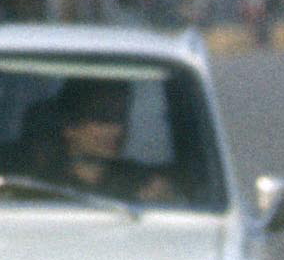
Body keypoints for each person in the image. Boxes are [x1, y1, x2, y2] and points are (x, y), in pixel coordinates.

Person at [19, 77, 176, 202]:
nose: (117, 129)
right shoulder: (38, 185)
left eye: (120, 118)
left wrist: (164, 200)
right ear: (70, 127)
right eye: (103, 119)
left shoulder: (140, 181)